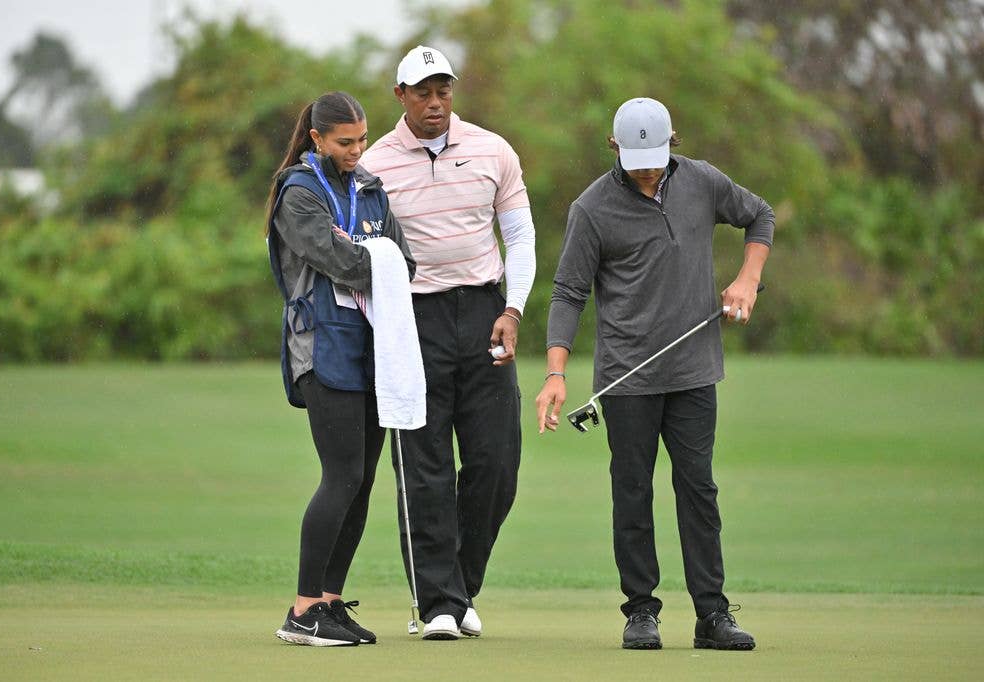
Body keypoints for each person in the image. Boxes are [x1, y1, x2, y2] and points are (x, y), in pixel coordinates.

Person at [535, 97, 772, 651]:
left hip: (693, 371)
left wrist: (748, 279)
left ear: (674, 144)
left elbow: (761, 215)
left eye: (656, 157)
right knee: (632, 493)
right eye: (635, 157)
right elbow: (569, 292)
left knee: (698, 491)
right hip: (627, 377)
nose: (646, 169)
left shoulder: (703, 182)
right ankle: (641, 611)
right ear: (614, 148)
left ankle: (712, 615)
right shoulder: (591, 208)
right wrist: (555, 371)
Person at [361, 45, 536, 640]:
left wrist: (514, 308)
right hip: (413, 319)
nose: (435, 103)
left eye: (443, 91)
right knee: (424, 463)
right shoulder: (375, 166)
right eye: (422, 93)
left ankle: (459, 588)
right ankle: (437, 603)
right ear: (400, 96)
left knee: (496, 462)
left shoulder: (493, 149)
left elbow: (519, 236)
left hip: (487, 311)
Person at [265, 91, 415, 647]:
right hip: (321, 345)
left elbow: (407, 260)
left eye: (363, 139)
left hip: (374, 348)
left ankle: (329, 601)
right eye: (345, 142)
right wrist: (371, 254)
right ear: (318, 140)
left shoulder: (369, 189)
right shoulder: (300, 194)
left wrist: (371, 253)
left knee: (362, 480)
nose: (357, 151)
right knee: (343, 473)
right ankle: (302, 610)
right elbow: (342, 260)